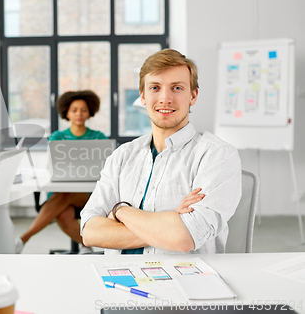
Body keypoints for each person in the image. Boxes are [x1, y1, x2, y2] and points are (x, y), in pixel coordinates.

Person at [81, 49, 242, 254]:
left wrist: (120, 210)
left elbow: (184, 238)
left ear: (193, 95)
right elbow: (89, 232)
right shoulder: (122, 156)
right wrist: (170, 222)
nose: (165, 98)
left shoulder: (216, 155)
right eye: (155, 88)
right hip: (118, 277)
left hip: (182, 278)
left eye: (176, 88)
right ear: (143, 96)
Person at [17, 90, 107, 254]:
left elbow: (107, 169)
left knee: (67, 194)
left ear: (90, 112)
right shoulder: (57, 137)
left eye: (83, 109)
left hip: (87, 194)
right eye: (74, 110)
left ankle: (23, 239)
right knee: (64, 214)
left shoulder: (98, 137)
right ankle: (86, 245)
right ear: (66, 112)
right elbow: (52, 168)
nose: (79, 114)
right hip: (60, 192)